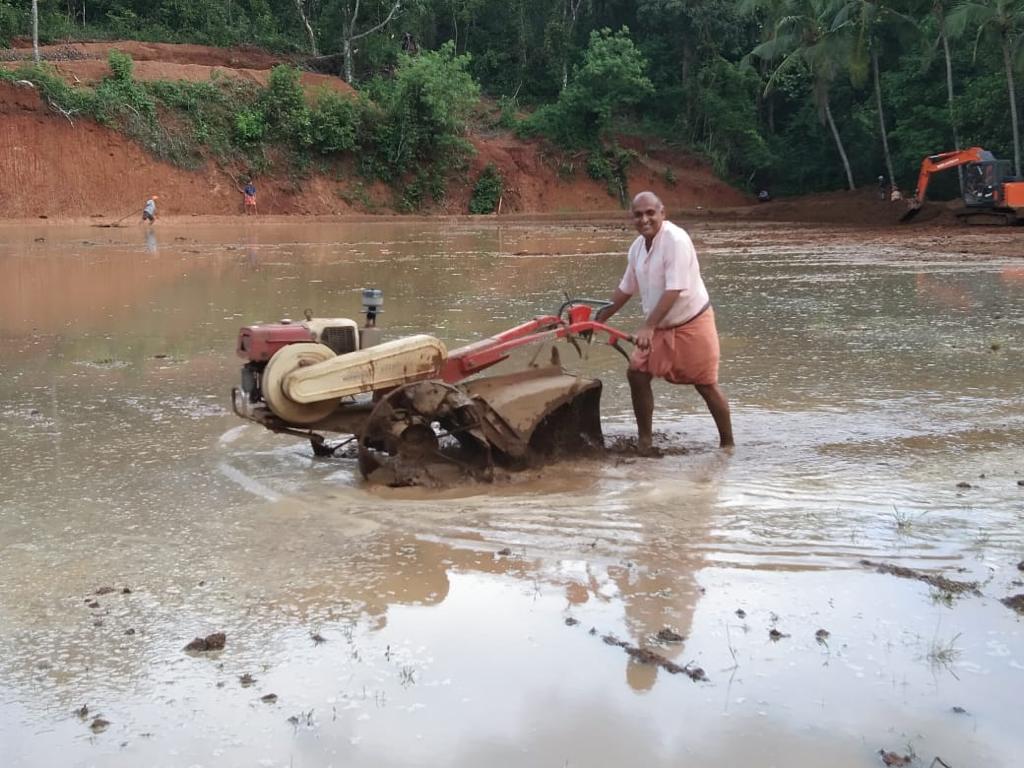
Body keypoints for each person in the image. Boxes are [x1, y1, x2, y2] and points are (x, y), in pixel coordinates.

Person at [595, 191, 734, 453]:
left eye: (650, 213)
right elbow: (626, 288)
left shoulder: (676, 240)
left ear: (662, 213)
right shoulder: (637, 248)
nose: (644, 219)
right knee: (636, 373)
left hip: (691, 321)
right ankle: (645, 441)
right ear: (632, 218)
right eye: (638, 215)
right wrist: (598, 318)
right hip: (659, 323)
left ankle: (728, 444)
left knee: (705, 384)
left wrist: (648, 326)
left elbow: (674, 289)